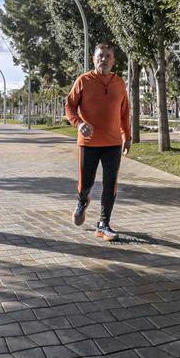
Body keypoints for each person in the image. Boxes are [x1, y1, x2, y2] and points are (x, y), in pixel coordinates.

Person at [64, 42, 131, 241]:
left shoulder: (119, 83)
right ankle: (82, 200)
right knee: (86, 183)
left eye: (108, 56)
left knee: (110, 184)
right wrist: (78, 124)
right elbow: (69, 107)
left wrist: (127, 136)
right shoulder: (83, 80)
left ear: (113, 60)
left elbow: (124, 113)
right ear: (94, 59)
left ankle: (103, 224)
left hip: (113, 144)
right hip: (88, 143)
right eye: (100, 55)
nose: (104, 59)